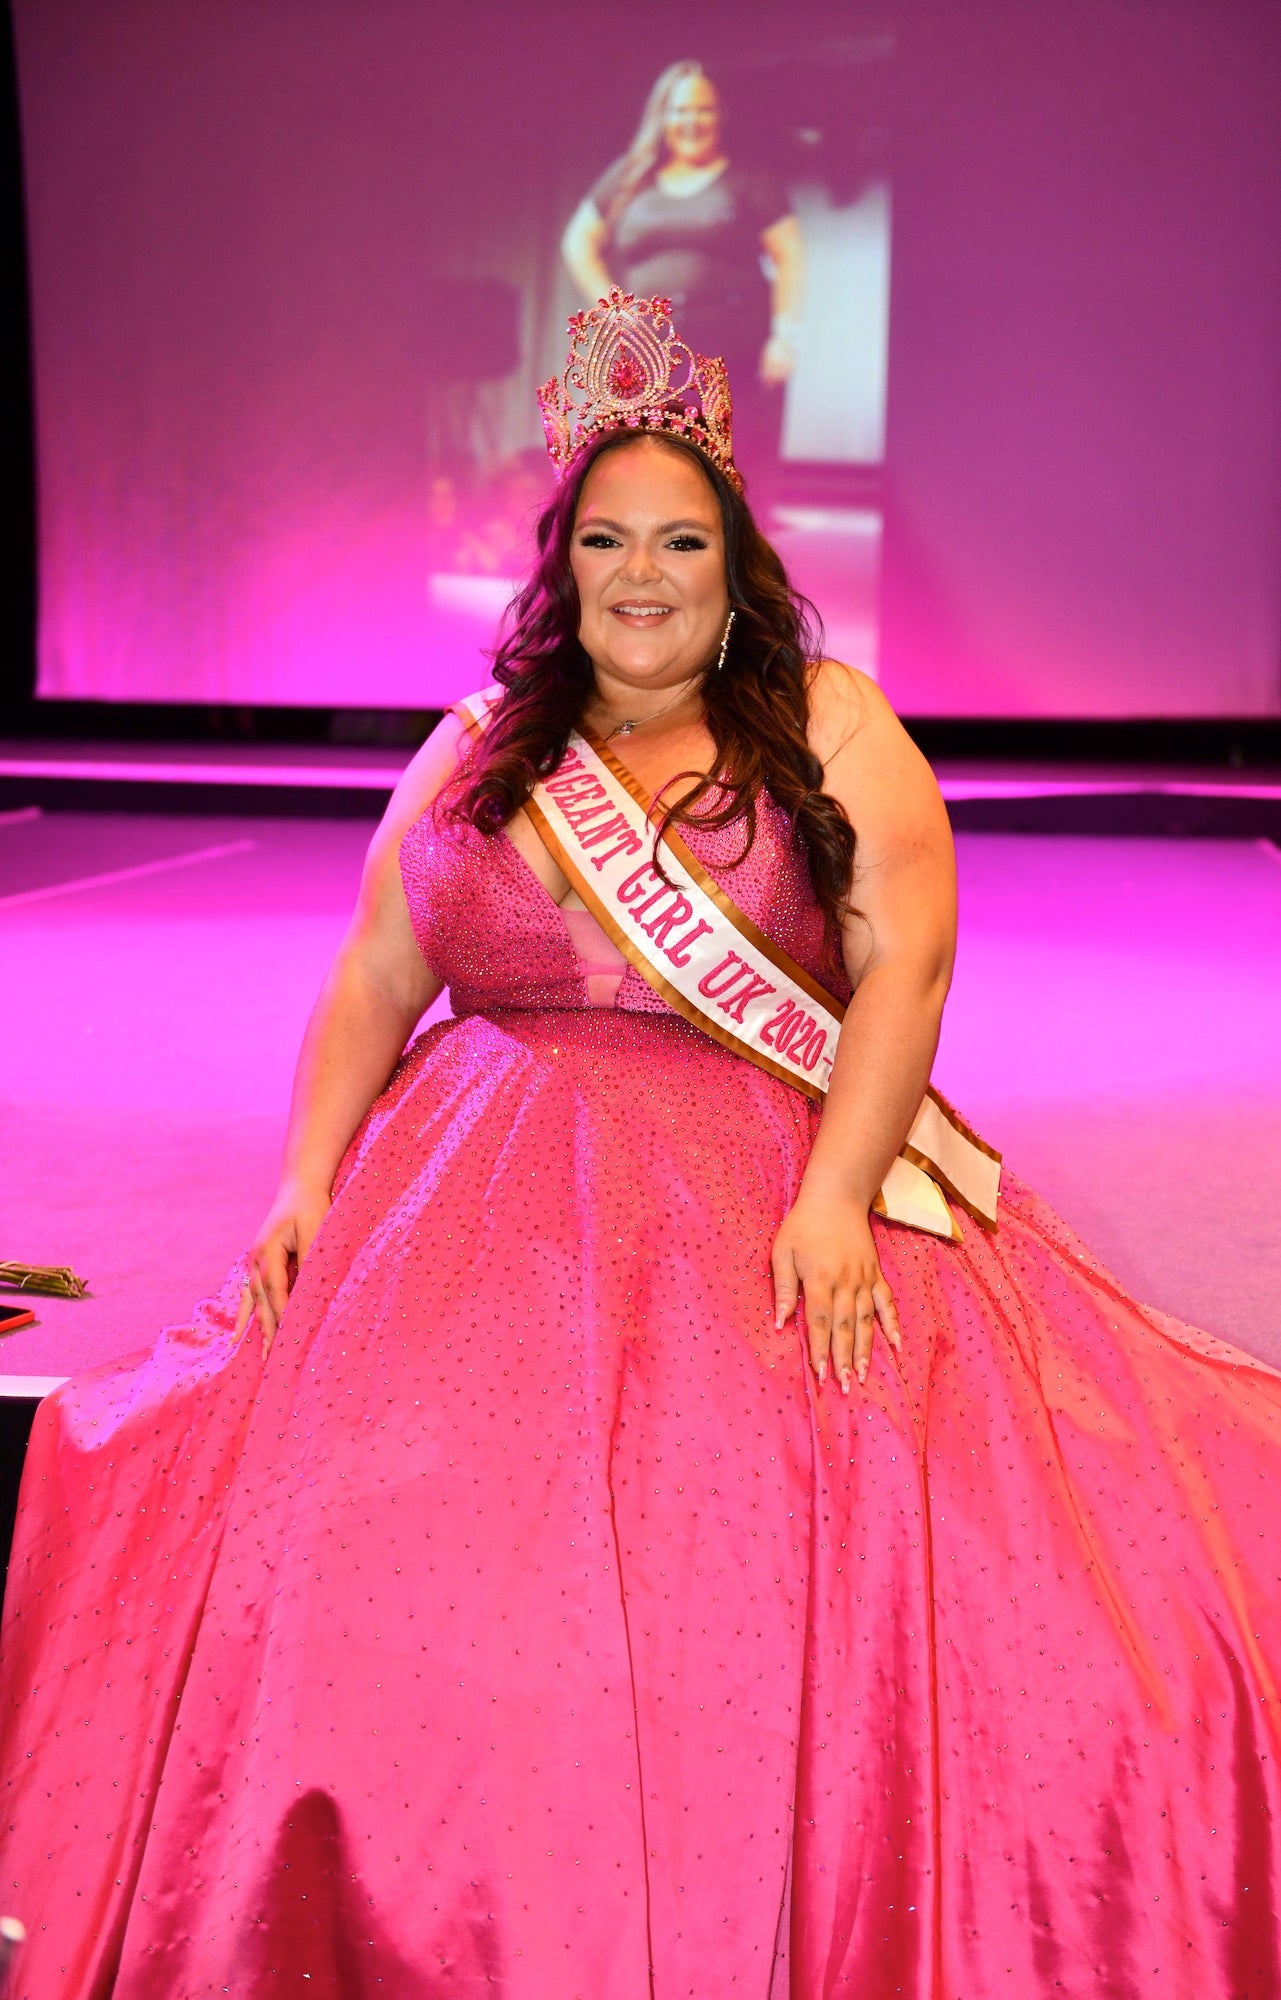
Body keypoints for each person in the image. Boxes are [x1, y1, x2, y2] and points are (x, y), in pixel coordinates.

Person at [0, 292, 1278, 1999]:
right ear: (562, 563)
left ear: (736, 556)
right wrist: (305, 1179)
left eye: (680, 539)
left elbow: (907, 967)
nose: (642, 572)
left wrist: (836, 1196)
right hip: (458, 1205)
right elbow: (377, 977)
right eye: (606, 540)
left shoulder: (826, 717)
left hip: (756, 1188)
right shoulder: (473, 749)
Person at [561, 61, 804, 489]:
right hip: (648, 360)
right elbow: (577, 242)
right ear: (662, 117)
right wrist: (615, 313)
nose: (692, 121)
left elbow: (791, 256)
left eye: (704, 109)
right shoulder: (630, 179)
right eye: (680, 110)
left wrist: (785, 337)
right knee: (649, 475)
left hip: (732, 360)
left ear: (720, 115)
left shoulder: (749, 181)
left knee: (730, 481)